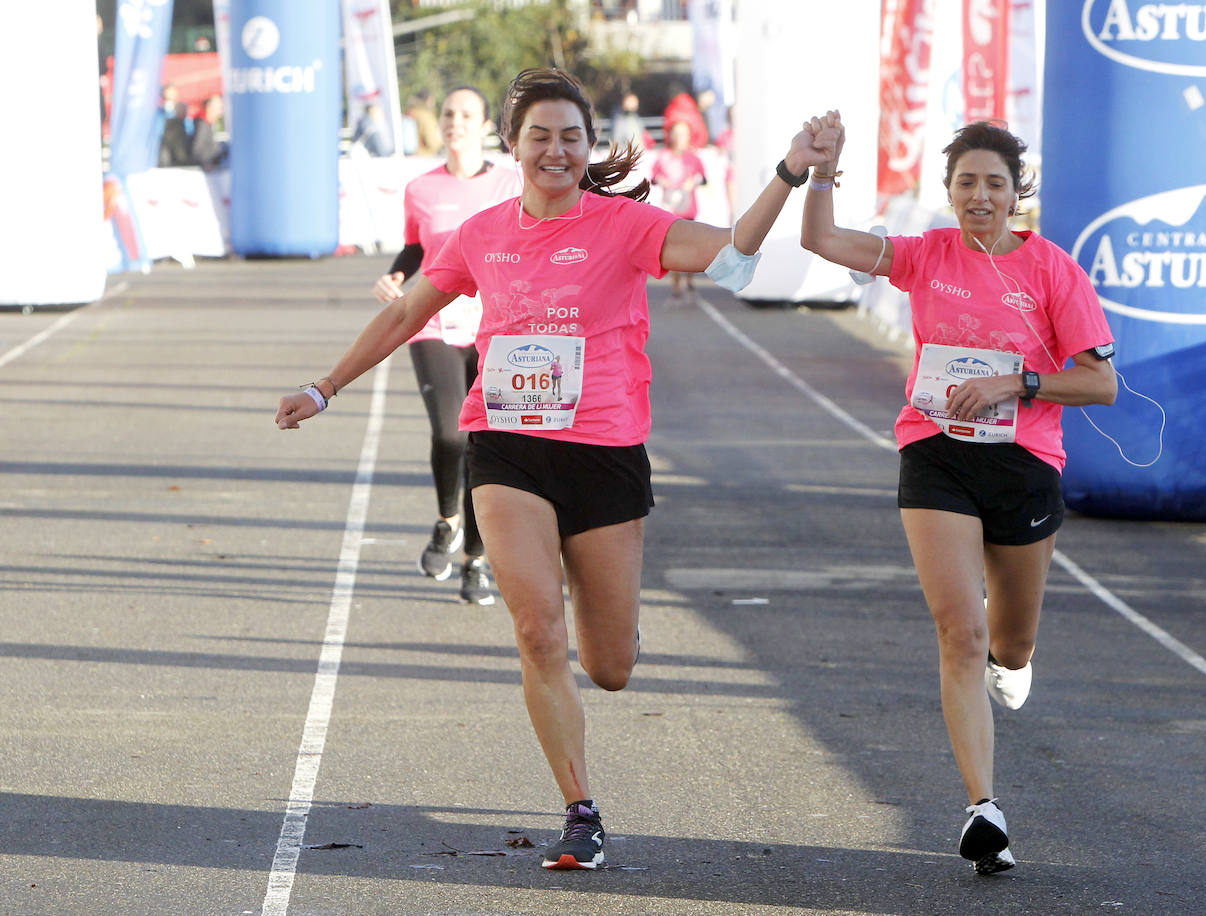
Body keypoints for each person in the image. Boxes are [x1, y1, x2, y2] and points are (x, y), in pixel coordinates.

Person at [277, 66, 836, 870]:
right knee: (537, 629)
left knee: (608, 666)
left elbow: (733, 256)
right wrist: (322, 387)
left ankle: (610, 631)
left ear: (588, 146)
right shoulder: (481, 232)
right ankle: (581, 808)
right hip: (507, 447)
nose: (555, 150)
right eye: (539, 135)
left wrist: (788, 172)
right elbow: (406, 311)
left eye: (571, 136)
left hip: (605, 454)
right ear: (514, 146)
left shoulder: (626, 225)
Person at [800, 114, 1117, 875]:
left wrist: (1018, 380)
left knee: (1006, 640)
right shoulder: (926, 255)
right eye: (967, 182)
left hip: (1023, 462)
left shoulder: (1051, 271)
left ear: (1017, 195)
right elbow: (822, 241)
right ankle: (985, 809)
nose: (980, 196)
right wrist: (820, 171)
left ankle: (1016, 656)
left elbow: (1101, 382)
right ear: (948, 191)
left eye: (995, 184)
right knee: (959, 634)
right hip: (935, 452)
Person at [371, 87, 522, 602]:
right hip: (434, 322)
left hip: (496, 326)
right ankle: (447, 519)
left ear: (485, 126)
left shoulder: (509, 183)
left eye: (466, 115)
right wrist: (395, 275)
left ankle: (477, 559)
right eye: (448, 114)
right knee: (450, 434)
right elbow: (417, 246)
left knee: (486, 444)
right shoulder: (420, 188)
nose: (455, 122)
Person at [650, 120, 708, 304]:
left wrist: (693, 182)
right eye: (677, 134)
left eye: (684, 134)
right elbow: (653, 178)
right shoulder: (663, 156)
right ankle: (676, 288)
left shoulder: (694, 158)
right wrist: (662, 181)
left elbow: (704, 178)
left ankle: (690, 283)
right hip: (670, 210)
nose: (681, 138)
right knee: (673, 249)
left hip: (688, 208)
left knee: (692, 247)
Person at [188, 94, 227, 170]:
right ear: (209, 107)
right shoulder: (202, 124)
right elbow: (197, 150)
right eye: (219, 108)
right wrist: (208, 161)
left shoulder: (209, 124)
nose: (221, 112)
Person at [404, 89, 442, 157]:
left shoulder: (409, 112)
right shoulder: (426, 116)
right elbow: (432, 142)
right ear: (429, 100)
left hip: (407, 155)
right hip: (424, 156)